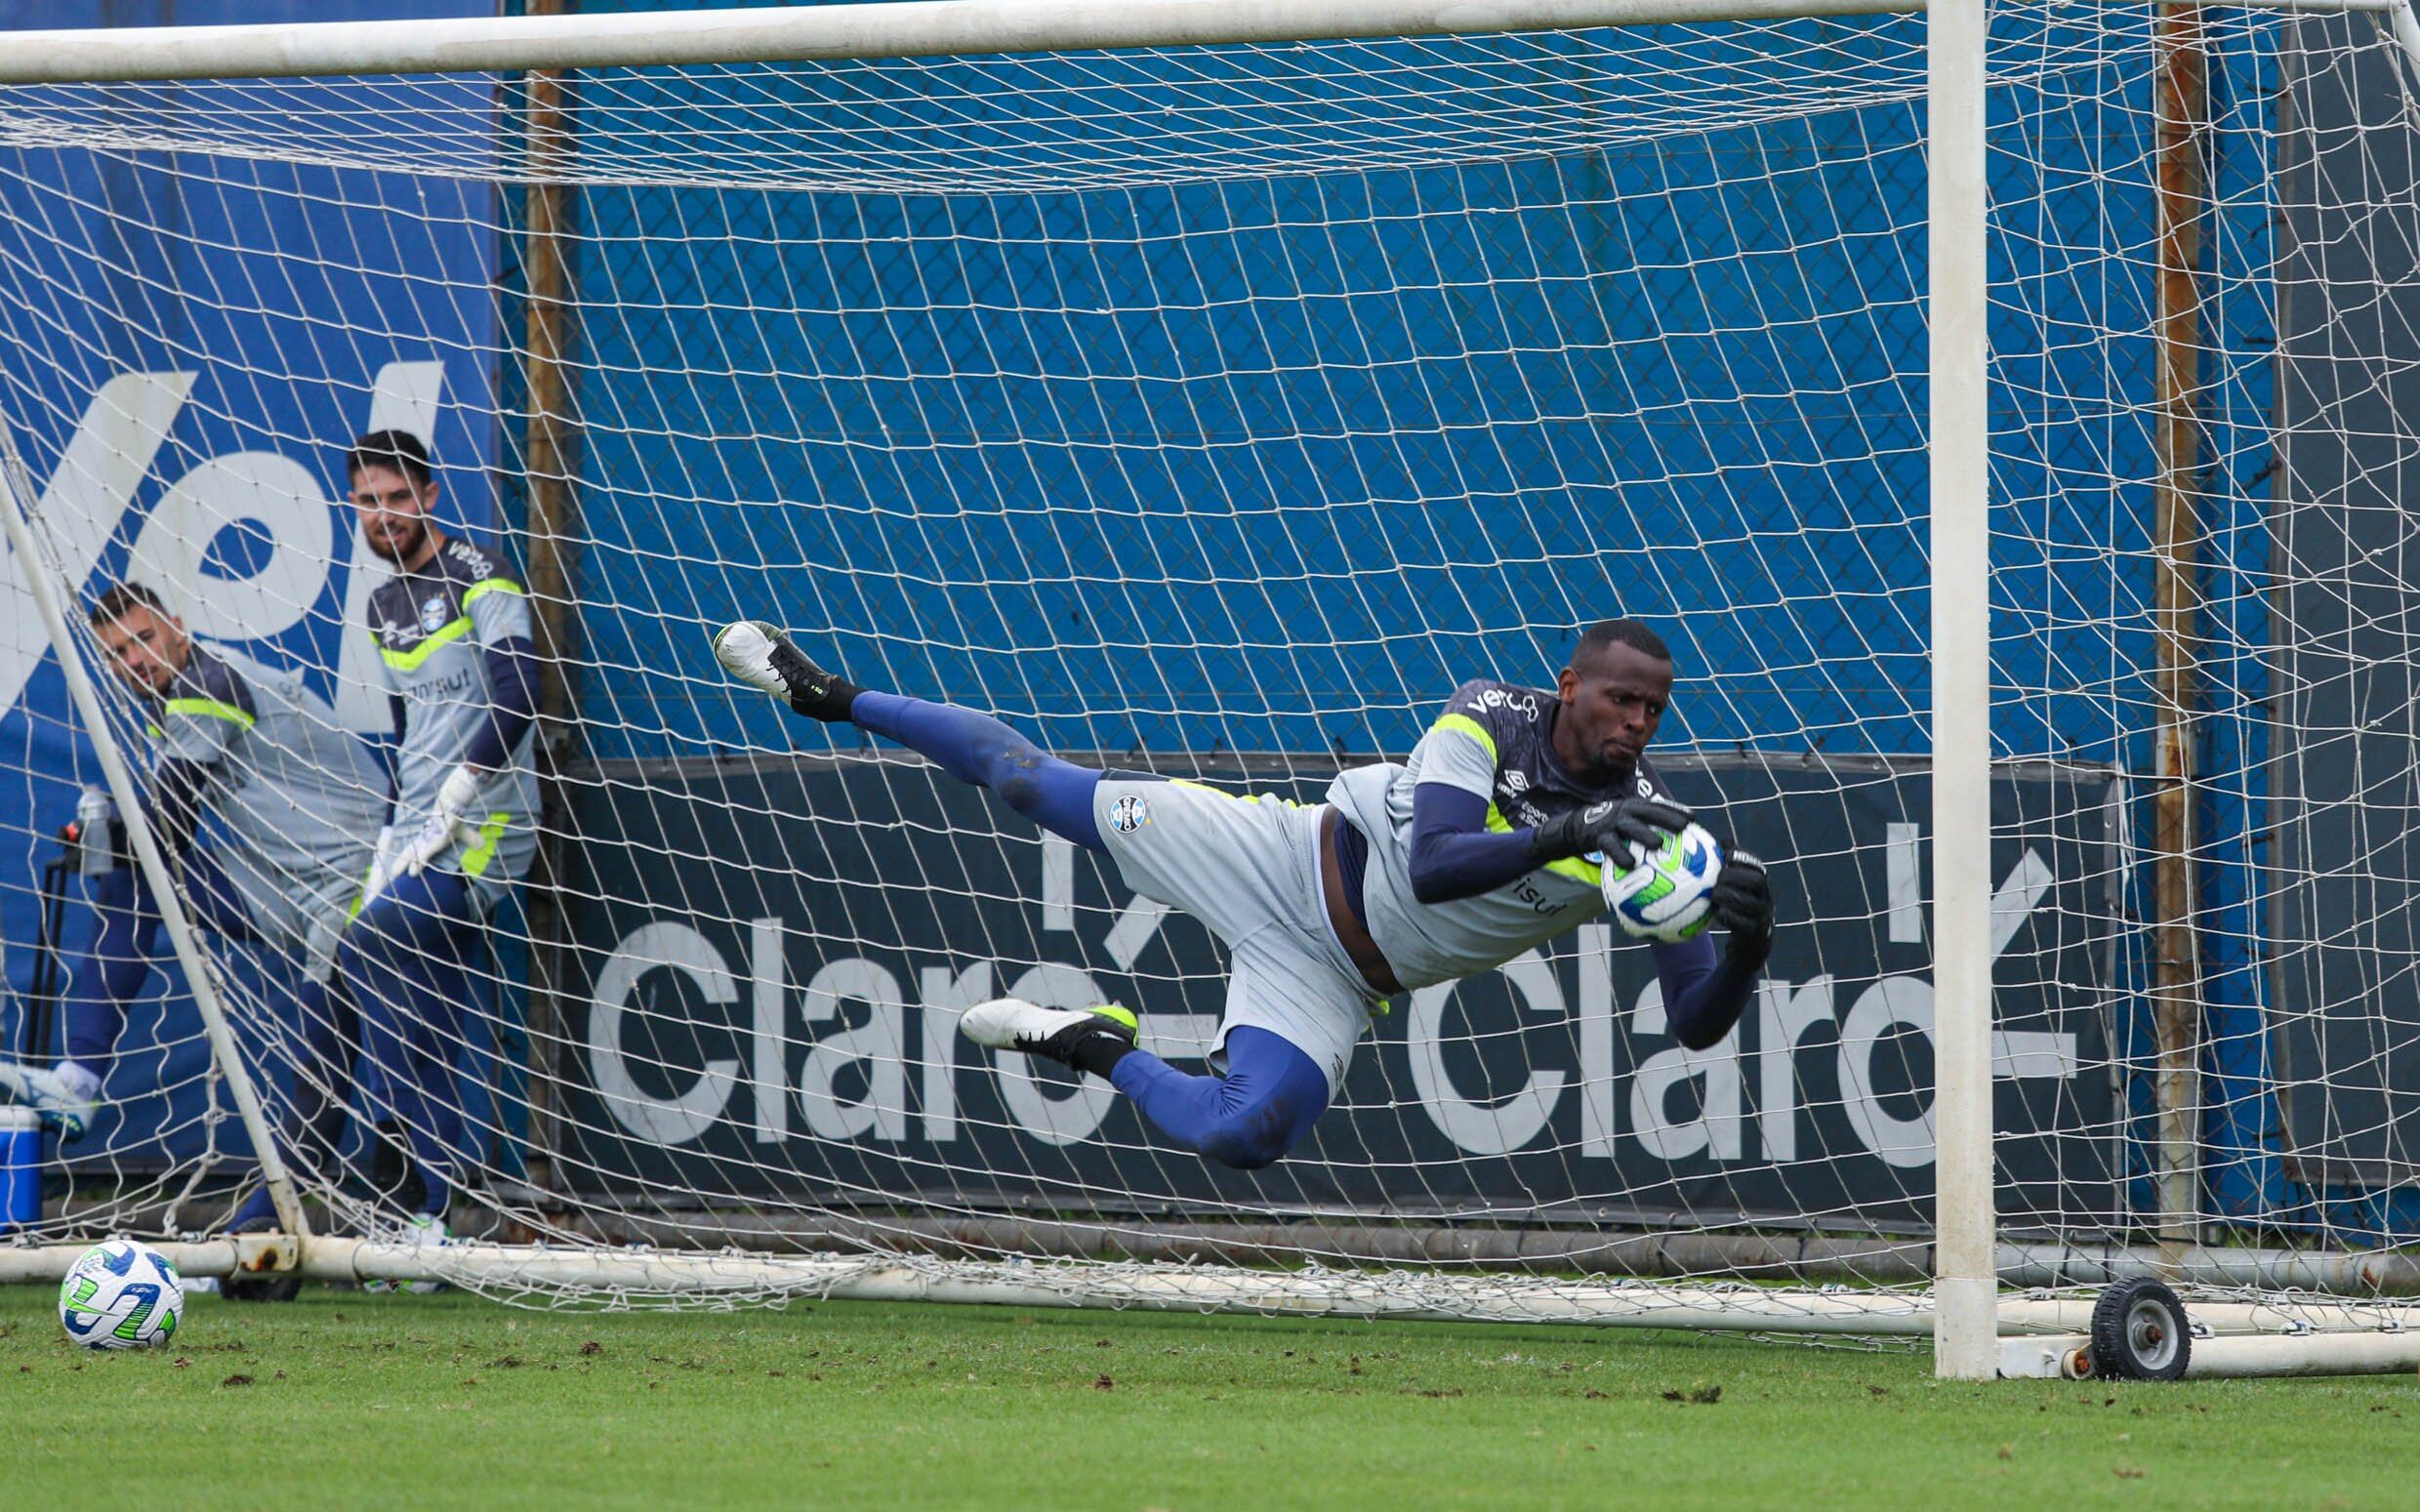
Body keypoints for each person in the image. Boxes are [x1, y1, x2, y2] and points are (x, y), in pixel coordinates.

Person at [711, 616, 1775, 1169]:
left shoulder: (1650, 837)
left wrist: (1744, 948)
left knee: (1244, 1132)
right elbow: (1432, 863)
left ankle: (1091, 1042)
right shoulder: (1486, 716)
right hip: (1278, 854)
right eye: (1619, 700)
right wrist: (1571, 830)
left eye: (1654, 710)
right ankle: (830, 691)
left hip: (1339, 973)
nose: (1635, 724)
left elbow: (1688, 1026)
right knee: (1029, 783)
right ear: (1569, 688)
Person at [0, 583, 385, 1158]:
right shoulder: (176, 696)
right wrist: (111, 835)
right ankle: (77, 1083)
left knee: (333, 1048)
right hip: (281, 880)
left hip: (353, 881)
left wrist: (108, 832)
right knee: (132, 883)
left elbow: (168, 833)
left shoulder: (208, 685)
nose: (135, 661)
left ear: (178, 629)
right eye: (118, 654)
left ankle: (415, 1212)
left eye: (144, 640)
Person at [333, 428, 541, 1234]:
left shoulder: (480, 575)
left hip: (489, 819)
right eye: (365, 502)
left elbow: (521, 688)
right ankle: (428, 1205)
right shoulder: (382, 603)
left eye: (395, 498)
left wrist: (464, 782)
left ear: (429, 495)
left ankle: (386, 1146)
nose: (382, 515)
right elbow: (403, 727)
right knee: (427, 1004)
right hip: (418, 830)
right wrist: (393, 831)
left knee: (377, 938)